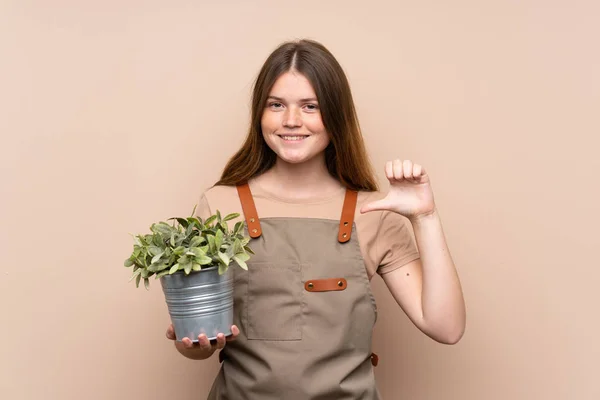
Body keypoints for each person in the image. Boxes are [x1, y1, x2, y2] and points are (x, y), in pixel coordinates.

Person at [165, 38, 466, 399]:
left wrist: (425, 217)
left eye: (311, 106)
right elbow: (196, 336)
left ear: (336, 116)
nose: (291, 121)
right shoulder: (219, 205)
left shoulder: (372, 213)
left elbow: (446, 327)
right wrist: (194, 345)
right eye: (276, 105)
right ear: (260, 113)